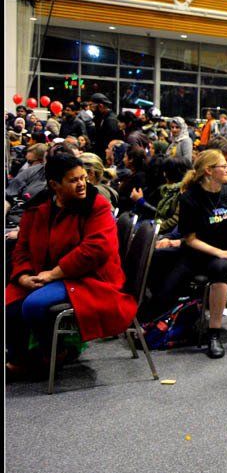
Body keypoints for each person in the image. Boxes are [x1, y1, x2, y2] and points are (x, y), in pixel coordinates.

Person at [6, 153, 137, 377]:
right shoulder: (37, 208)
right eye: (73, 180)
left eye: (83, 178)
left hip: (88, 279)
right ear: (55, 185)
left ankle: (55, 353)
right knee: (10, 302)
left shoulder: (97, 206)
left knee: (33, 305)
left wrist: (54, 274)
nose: (81, 184)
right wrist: (23, 276)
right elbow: (22, 249)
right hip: (45, 275)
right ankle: (24, 357)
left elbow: (94, 250)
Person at [155, 150, 227, 358]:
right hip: (199, 252)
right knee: (164, 288)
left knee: (219, 269)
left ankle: (214, 334)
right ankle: (158, 324)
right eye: (223, 165)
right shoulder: (190, 198)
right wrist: (218, 251)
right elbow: (191, 239)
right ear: (208, 171)